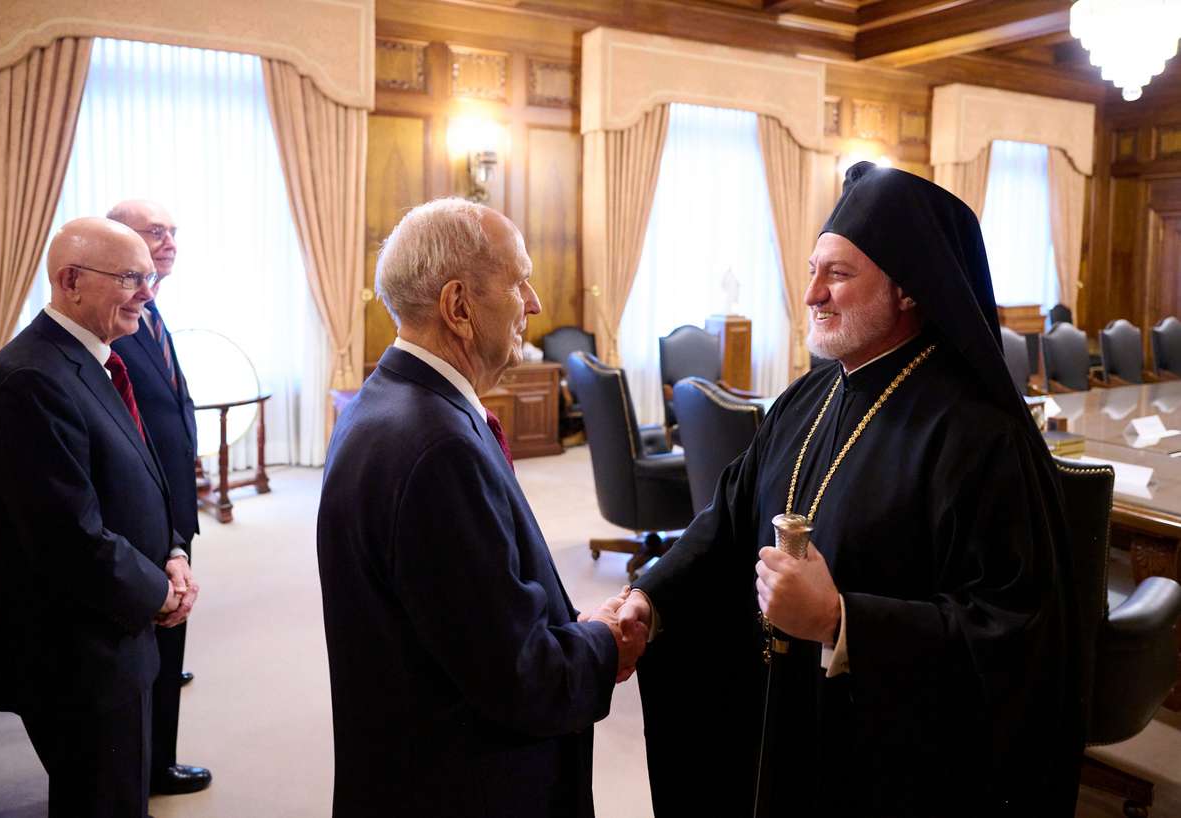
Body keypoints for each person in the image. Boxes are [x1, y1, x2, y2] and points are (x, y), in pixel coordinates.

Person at [614, 163, 1080, 816]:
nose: (811, 294)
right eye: (812, 270)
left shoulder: (978, 435)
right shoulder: (811, 394)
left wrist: (842, 621)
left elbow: (1012, 631)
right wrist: (649, 598)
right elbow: (727, 520)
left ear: (909, 291)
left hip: (890, 772)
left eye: (837, 274)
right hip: (785, 719)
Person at [317, 197, 646, 818]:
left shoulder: (382, 403)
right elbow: (519, 679)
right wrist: (604, 643)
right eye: (519, 280)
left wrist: (570, 627)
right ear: (459, 307)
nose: (535, 303)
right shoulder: (437, 447)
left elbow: (467, 613)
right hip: (464, 784)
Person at [0, 217, 198, 817]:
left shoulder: (95, 357)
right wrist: (160, 593)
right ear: (70, 281)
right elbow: (67, 536)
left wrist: (172, 550)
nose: (149, 291)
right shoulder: (30, 379)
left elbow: (141, 473)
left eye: (149, 276)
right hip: (76, 651)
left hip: (115, 629)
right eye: (131, 277)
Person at [107, 199, 211, 796]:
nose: (169, 241)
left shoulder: (151, 309)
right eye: (155, 233)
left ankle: (166, 682)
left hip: (172, 502)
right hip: (145, 508)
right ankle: (155, 767)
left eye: (173, 232)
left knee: (171, 624)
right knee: (157, 621)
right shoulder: (113, 317)